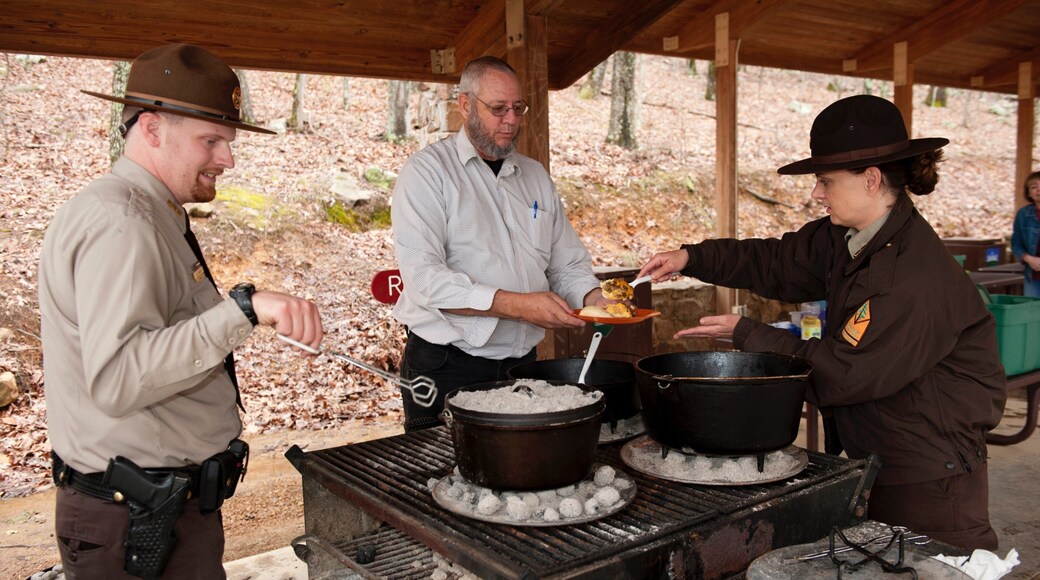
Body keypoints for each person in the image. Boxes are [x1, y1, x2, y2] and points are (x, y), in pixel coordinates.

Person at [638, 94, 1007, 550]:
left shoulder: (910, 278)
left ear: (871, 180)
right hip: (883, 451)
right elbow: (775, 262)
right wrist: (693, 257)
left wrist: (746, 334)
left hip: (930, 475)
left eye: (825, 180)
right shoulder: (849, 237)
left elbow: (843, 374)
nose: (816, 193)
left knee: (942, 567)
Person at [38, 44, 323, 578]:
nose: (228, 159)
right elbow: (120, 376)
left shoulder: (148, 213)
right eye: (211, 141)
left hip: (158, 512)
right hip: (135, 525)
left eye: (228, 142)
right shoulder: (122, 223)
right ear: (151, 129)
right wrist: (244, 310)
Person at [391, 56, 609, 431]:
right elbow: (425, 280)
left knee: (517, 473)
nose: (511, 120)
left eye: (518, 108)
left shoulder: (535, 176)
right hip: (446, 363)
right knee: (445, 478)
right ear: (464, 104)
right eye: (498, 109)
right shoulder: (426, 174)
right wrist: (519, 306)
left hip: (521, 364)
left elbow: (566, 264)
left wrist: (594, 301)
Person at [1011, 170, 1040, 297]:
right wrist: (1028, 259)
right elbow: (1016, 242)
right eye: (1034, 187)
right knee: (1031, 314)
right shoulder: (1023, 214)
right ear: (1029, 192)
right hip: (1033, 275)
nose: (1038, 190)